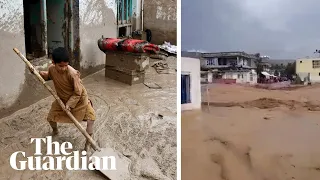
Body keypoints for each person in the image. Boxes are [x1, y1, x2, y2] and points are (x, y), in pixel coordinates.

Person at [39, 47, 96, 151]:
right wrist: (39, 73)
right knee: (51, 117)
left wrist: (69, 104)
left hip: (79, 100)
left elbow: (78, 92)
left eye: (66, 65)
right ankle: (55, 131)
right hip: (63, 99)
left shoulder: (72, 73)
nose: (63, 68)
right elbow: (48, 77)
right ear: (53, 63)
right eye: (60, 66)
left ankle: (87, 145)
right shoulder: (52, 69)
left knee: (91, 119)